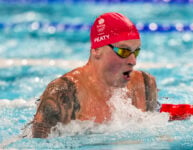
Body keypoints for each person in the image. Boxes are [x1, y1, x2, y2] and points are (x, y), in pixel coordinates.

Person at [31, 12, 159, 138]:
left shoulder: (144, 85)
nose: (133, 61)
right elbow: (37, 145)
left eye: (136, 52)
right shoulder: (65, 92)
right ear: (97, 50)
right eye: (123, 51)